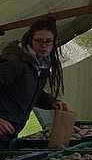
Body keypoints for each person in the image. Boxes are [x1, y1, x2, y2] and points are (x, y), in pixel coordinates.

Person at [0, 17, 69, 149]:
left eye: (48, 41)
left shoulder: (40, 64)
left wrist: (51, 102)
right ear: (30, 40)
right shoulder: (13, 62)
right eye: (39, 41)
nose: (44, 45)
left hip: (9, 130)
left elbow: (29, 91)